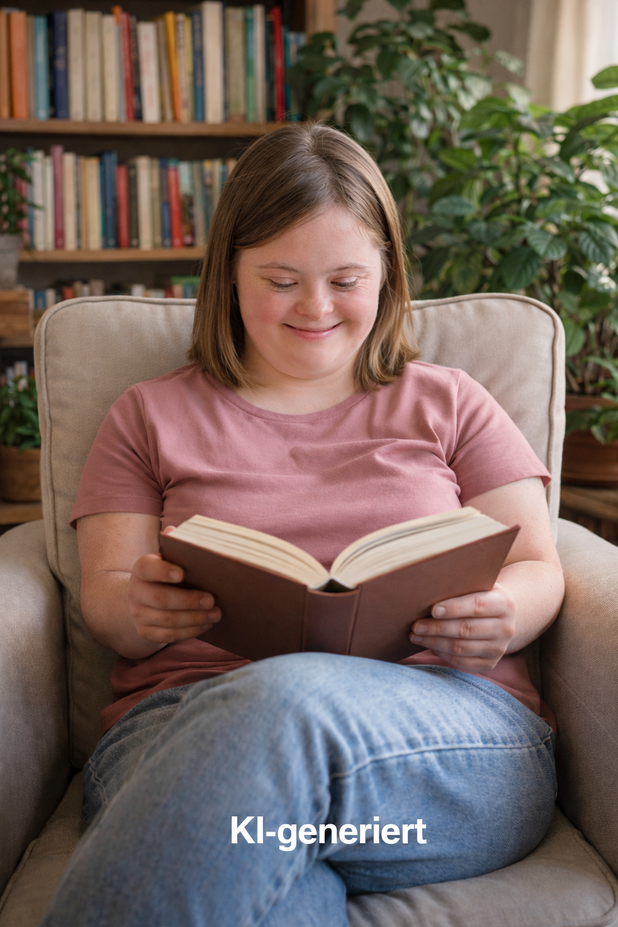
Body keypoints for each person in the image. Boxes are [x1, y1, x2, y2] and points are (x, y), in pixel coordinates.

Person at [40, 123, 564, 927]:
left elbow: (539, 565)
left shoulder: (449, 402)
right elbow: (106, 597)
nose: (315, 307)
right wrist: (134, 608)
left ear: (387, 275)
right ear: (229, 274)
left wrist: (507, 613)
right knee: (273, 880)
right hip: (178, 740)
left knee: (281, 701)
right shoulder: (148, 415)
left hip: (443, 757)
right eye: (281, 279)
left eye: (346, 278)